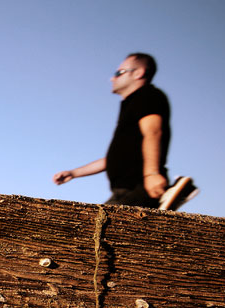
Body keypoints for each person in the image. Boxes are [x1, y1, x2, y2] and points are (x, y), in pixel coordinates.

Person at [53, 53, 197, 210]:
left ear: (138, 73)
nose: (112, 78)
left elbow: (153, 132)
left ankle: (165, 196)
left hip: (138, 186)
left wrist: (151, 174)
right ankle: (170, 196)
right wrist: (74, 173)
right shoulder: (131, 104)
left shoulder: (147, 95)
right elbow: (115, 157)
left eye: (118, 73)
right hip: (125, 190)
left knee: (90, 229)